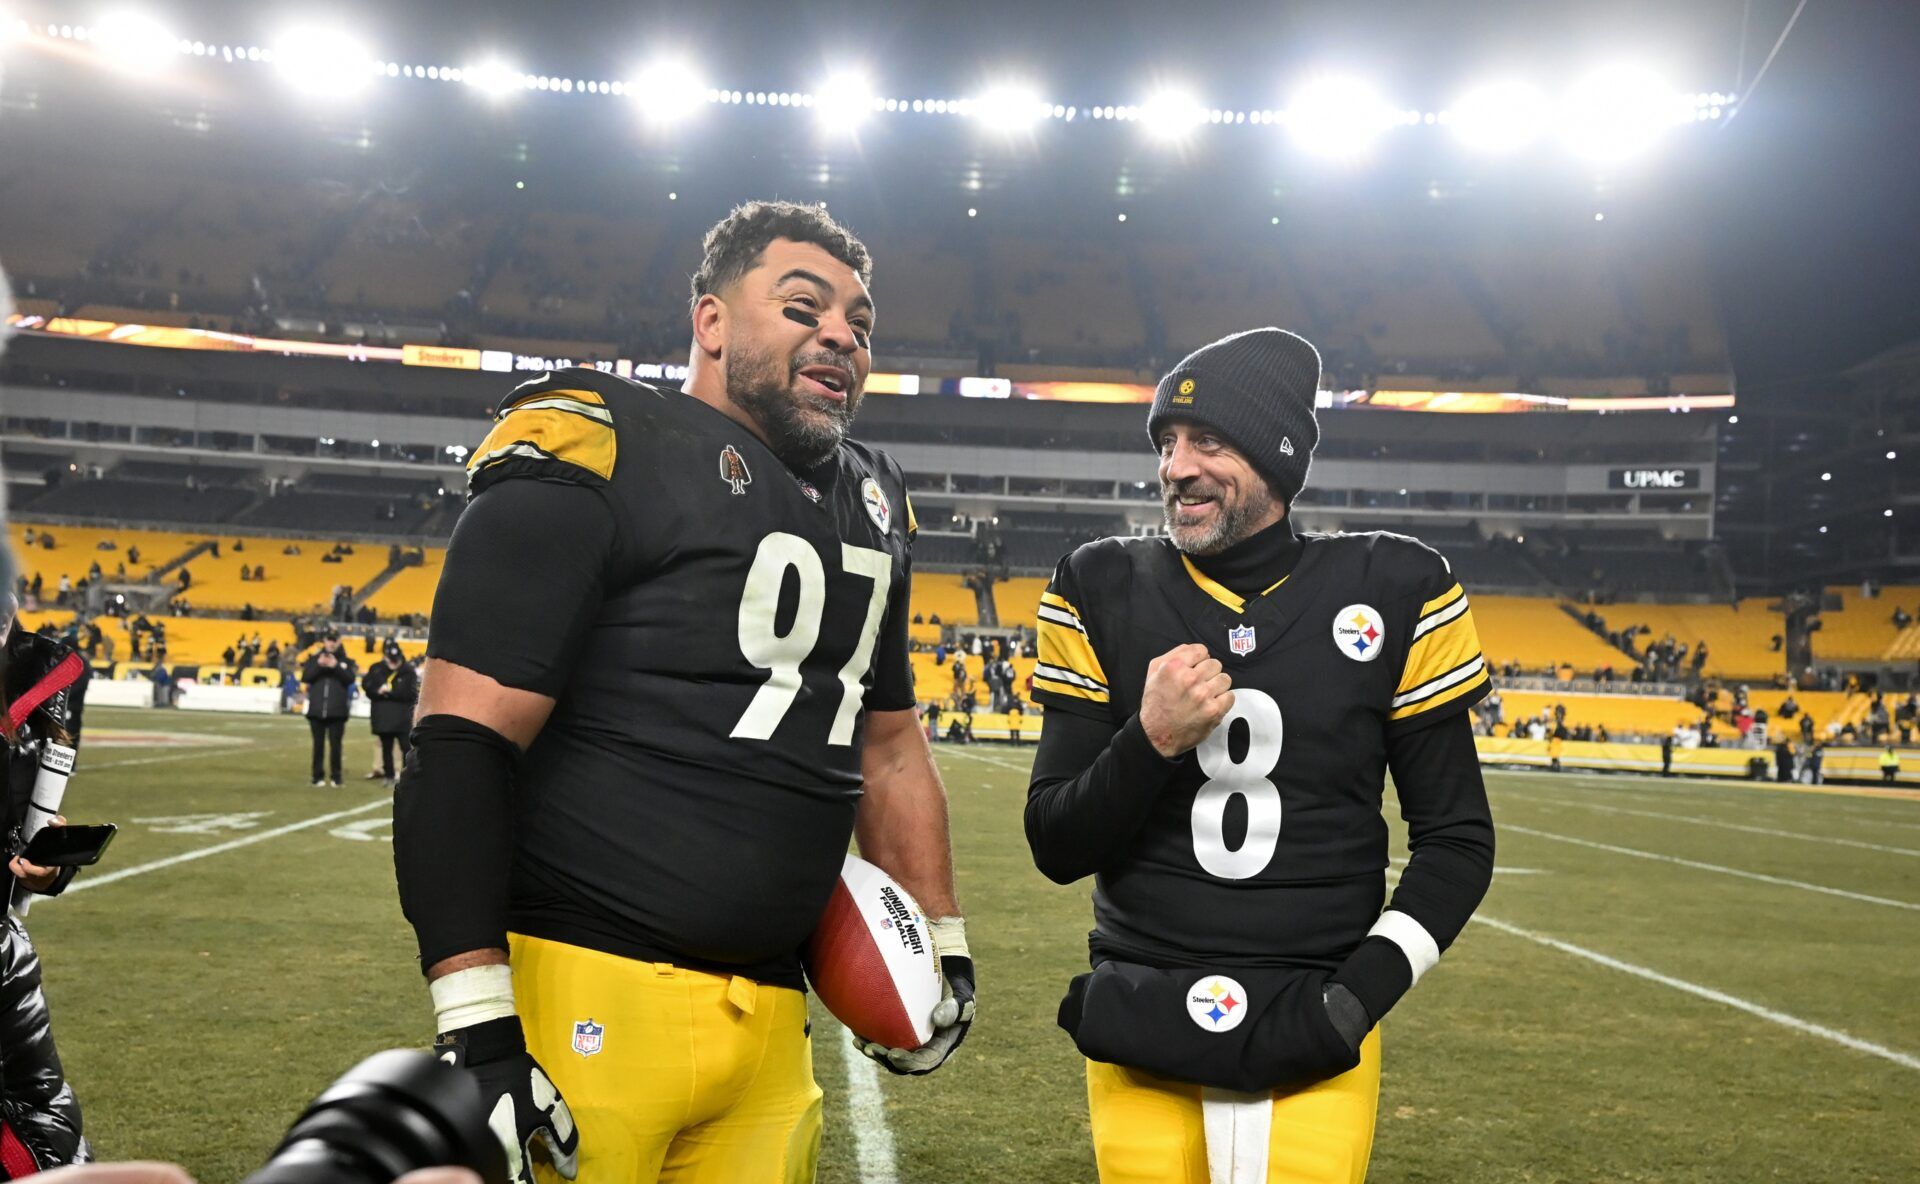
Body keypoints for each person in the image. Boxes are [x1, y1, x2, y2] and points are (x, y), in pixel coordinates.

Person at [392, 201, 973, 1184]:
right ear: (710, 322)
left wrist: (942, 938)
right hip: (590, 984)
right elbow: (460, 737)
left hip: (774, 1014)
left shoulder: (874, 500)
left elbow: (887, 744)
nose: (842, 333)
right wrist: (477, 1021)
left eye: (862, 324)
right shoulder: (604, 438)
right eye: (803, 305)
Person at [1025, 328, 1495, 1184]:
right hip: (1142, 1005)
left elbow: (1458, 842)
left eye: (1208, 441)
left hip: (1314, 1007)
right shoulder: (1101, 585)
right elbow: (1056, 845)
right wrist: (1152, 739)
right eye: (1167, 443)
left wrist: (1356, 997)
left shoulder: (1396, 586)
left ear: (1277, 459)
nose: (1176, 467)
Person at [301, 632, 356, 787]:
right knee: (317, 745)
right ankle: (317, 776)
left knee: (336, 745)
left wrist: (335, 666)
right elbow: (306, 677)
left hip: (337, 711)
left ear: (339, 641)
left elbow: (349, 679)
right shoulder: (314, 659)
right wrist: (319, 665)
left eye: (334, 640)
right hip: (317, 710)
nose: (331, 643)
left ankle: (336, 777)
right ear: (324, 641)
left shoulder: (345, 660)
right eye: (329, 640)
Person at [362, 642, 419, 783]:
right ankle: (389, 775)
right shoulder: (376, 669)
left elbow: (410, 693)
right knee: (386, 747)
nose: (393, 663)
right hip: (382, 716)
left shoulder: (408, 671)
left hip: (402, 717)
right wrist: (377, 692)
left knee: (406, 747)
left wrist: (390, 693)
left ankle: (407, 776)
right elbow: (367, 686)